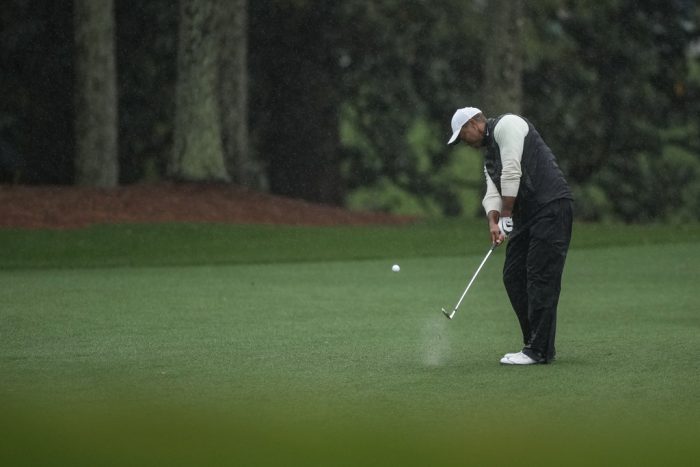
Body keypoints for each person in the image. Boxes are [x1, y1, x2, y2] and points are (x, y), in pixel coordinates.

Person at [447, 107, 573, 365]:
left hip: (551, 207)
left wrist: (506, 214)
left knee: (540, 277)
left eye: (463, 135)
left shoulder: (509, 125)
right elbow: (492, 191)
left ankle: (539, 350)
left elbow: (512, 171)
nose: (464, 142)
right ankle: (534, 343)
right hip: (527, 215)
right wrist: (494, 220)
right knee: (513, 274)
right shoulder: (489, 155)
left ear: (474, 124)